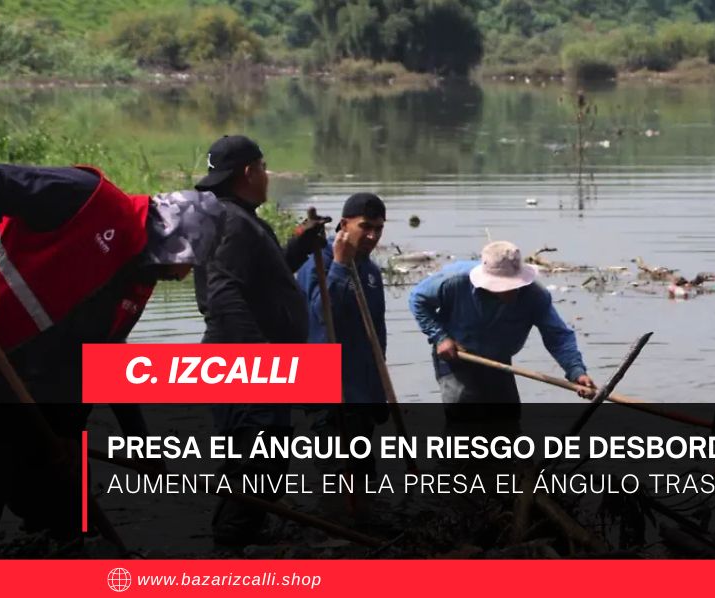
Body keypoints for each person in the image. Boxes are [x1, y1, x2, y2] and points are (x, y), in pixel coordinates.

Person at [0, 164, 221, 556]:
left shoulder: (136, 281)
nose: (185, 275)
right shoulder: (92, 200)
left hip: (15, 387)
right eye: (190, 261)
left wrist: (139, 443)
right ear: (173, 239)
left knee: (64, 512)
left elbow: (105, 363)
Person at [191, 135, 325, 546]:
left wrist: (300, 244)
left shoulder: (237, 218)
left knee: (265, 463)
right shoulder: (232, 221)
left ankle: (245, 543)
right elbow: (223, 292)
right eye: (264, 168)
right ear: (249, 172)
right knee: (252, 466)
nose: (267, 176)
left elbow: (262, 281)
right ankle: (229, 553)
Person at [408, 241, 595, 420]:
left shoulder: (535, 296)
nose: (511, 291)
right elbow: (417, 300)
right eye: (503, 286)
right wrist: (440, 337)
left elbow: (558, 336)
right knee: (463, 417)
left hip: (498, 360)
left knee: (507, 417)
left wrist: (576, 372)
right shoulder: (455, 281)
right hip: (456, 355)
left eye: (514, 285)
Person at [296, 193, 388, 515]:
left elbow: (376, 336)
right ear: (344, 224)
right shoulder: (317, 265)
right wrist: (337, 266)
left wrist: (380, 393)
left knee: (365, 476)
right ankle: (336, 539)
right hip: (328, 393)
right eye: (365, 227)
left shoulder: (372, 273)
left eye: (379, 228)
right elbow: (323, 315)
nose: (373, 236)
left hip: (361, 393)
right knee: (340, 476)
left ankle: (360, 535)